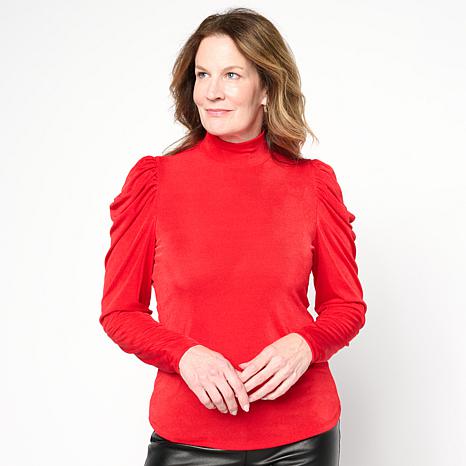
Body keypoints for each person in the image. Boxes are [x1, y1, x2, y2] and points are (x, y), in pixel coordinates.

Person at [99, 7, 367, 466]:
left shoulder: (313, 184)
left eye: (232, 75)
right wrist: (184, 355)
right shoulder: (154, 182)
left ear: (267, 88)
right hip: (187, 437)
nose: (212, 92)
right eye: (203, 74)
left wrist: (305, 345)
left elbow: (346, 306)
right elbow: (119, 311)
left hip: (301, 439)